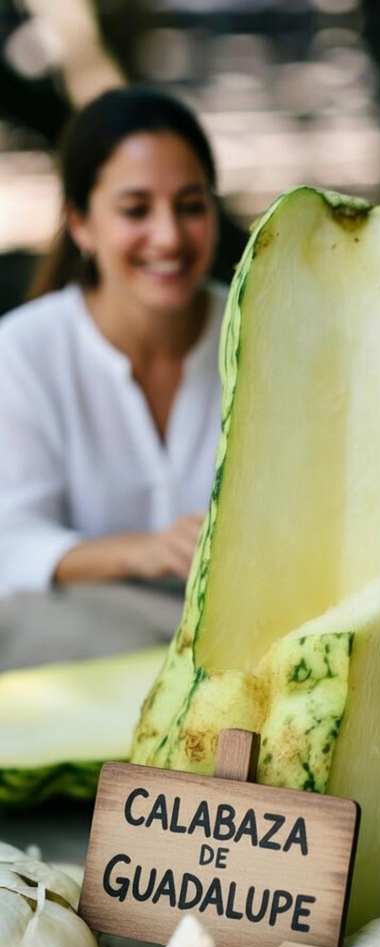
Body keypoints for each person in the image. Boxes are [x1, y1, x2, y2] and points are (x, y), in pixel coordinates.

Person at [0, 85, 225, 600]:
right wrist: (143, 551)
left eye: (190, 206)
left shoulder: (266, 338)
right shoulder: (22, 354)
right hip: (80, 650)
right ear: (81, 224)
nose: (168, 236)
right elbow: (9, 543)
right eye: (135, 210)